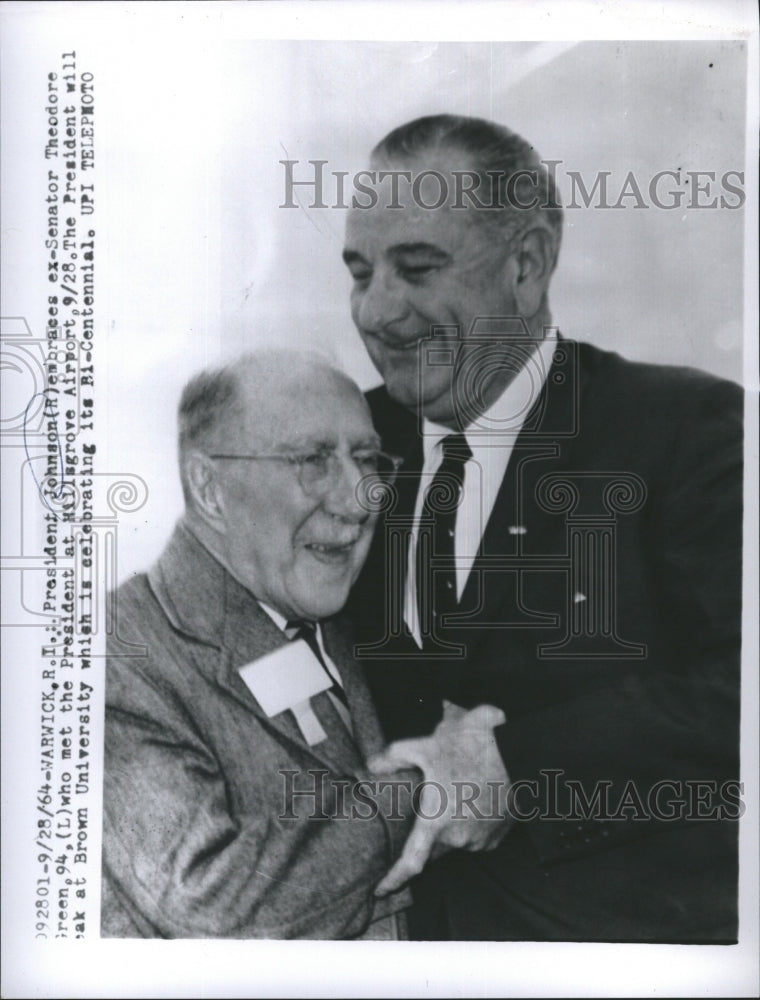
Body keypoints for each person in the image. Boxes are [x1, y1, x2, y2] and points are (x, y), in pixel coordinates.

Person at [343, 114, 743, 941]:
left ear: (527, 266)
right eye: (359, 272)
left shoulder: (696, 430)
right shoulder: (337, 441)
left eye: (417, 268)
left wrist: (515, 768)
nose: (378, 311)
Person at [101, 350, 415, 939]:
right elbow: (211, 910)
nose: (359, 499)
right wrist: (420, 794)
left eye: (367, 460)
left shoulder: (340, 614)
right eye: (312, 460)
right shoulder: (117, 654)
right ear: (211, 489)